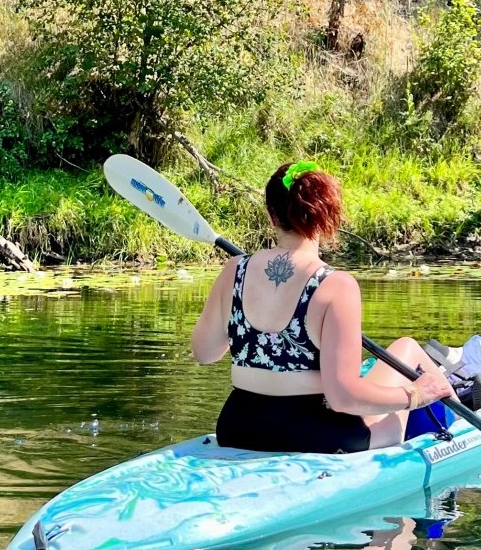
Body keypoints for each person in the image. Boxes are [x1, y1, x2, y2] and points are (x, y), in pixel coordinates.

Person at [191, 160, 455, 453]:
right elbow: (343, 398)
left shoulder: (234, 270)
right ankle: (463, 424)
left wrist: (249, 324)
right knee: (407, 347)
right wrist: (414, 394)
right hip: (320, 436)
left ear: (270, 214)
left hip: (239, 429)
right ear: (325, 216)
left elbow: (204, 353)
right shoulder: (336, 286)